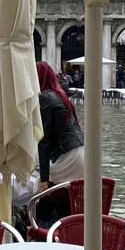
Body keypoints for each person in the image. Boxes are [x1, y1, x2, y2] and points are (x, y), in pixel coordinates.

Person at [36, 61, 86, 224]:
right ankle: (64, 227)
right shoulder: (61, 95)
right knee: (62, 194)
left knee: (38, 185)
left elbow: (44, 141)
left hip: (68, 157)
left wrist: (44, 178)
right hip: (81, 154)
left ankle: (41, 229)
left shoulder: (45, 98)